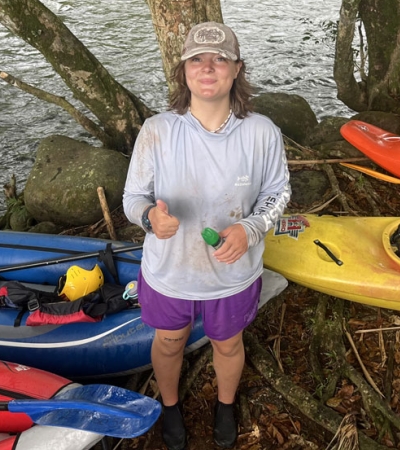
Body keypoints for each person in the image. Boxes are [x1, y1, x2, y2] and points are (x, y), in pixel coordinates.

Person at [122, 21, 291, 450]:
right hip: (170, 270)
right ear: (183, 71)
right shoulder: (157, 130)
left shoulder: (262, 132)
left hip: (232, 273)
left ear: (236, 70)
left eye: (220, 59)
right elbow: (133, 197)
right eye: (197, 58)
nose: (208, 67)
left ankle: (226, 404)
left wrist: (251, 228)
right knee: (169, 340)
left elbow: (278, 192)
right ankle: (172, 406)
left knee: (228, 343)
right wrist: (148, 219)